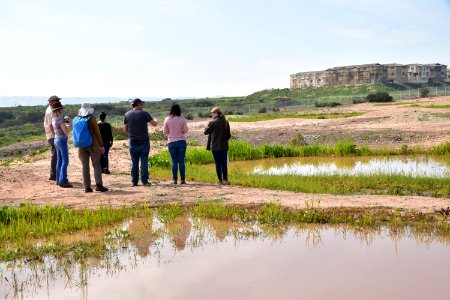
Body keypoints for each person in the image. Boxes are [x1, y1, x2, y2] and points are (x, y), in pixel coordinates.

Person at [124, 98, 158, 186]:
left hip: (133, 141)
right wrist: (155, 119)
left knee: (134, 162)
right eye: (142, 104)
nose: (143, 105)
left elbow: (125, 130)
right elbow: (154, 124)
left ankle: (134, 181)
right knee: (144, 161)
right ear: (138, 104)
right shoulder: (144, 114)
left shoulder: (127, 114)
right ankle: (144, 181)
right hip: (144, 141)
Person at [76, 103, 108, 193]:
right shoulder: (91, 119)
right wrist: (101, 145)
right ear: (89, 109)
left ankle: (87, 187)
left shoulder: (77, 119)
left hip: (81, 146)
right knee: (96, 165)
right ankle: (99, 185)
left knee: (84, 167)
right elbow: (98, 133)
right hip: (93, 145)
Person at [204, 107, 231, 185]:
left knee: (218, 164)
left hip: (215, 147)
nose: (211, 114)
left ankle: (220, 180)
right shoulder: (225, 122)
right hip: (224, 146)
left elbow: (206, 132)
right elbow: (228, 136)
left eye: (212, 113)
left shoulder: (213, 122)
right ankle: (225, 180)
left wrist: (207, 125)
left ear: (216, 113)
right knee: (224, 164)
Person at [163, 104, 188, 184]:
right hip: (181, 141)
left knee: (174, 161)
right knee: (181, 161)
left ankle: (174, 179)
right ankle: (183, 179)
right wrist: (181, 132)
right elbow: (186, 130)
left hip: (171, 141)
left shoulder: (167, 119)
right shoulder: (182, 119)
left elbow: (165, 132)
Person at [50, 101, 73, 188]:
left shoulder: (53, 119)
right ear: (60, 110)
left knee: (59, 161)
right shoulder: (60, 119)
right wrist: (70, 123)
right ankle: (62, 180)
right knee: (65, 161)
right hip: (62, 140)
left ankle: (58, 180)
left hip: (56, 140)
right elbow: (66, 132)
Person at [43, 95, 61, 180]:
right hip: (52, 135)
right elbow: (50, 125)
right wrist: (55, 135)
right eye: (57, 100)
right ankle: (53, 174)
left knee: (56, 154)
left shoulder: (50, 109)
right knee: (55, 154)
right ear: (52, 102)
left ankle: (54, 174)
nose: (58, 102)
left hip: (52, 134)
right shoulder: (50, 111)